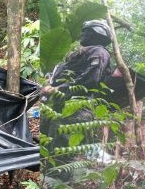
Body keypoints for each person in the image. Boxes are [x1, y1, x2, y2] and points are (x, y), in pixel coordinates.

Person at [41, 20, 113, 165]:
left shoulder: (99, 52)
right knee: (48, 148)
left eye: (87, 31)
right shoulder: (79, 54)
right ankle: (48, 184)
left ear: (96, 34)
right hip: (59, 104)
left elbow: (91, 78)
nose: (82, 34)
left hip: (77, 106)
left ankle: (60, 185)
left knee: (63, 152)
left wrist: (59, 88)